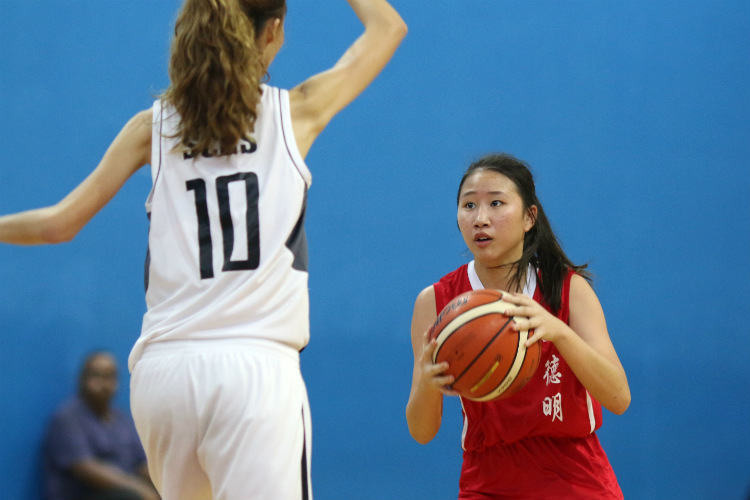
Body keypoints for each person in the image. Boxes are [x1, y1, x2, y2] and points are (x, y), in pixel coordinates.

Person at [0, 1, 406, 499]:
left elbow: (57, 225)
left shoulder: (150, 128)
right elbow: (388, 27)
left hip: (163, 375)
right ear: (272, 31)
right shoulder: (296, 110)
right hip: (253, 372)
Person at [405, 153, 631, 499]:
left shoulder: (567, 288)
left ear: (529, 217)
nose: (481, 218)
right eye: (469, 206)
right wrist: (427, 383)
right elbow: (422, 432)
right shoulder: (437, 303)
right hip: (487, 482)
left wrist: (558, 332)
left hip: (575, 479)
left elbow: (619, 397)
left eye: (496, 203)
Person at [43, 352, 159, 500]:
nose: (104, 384)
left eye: (110, 377)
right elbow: (85, 468)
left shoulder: (121, 419)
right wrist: (139, 489)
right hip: (86, 494)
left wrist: (163, 482)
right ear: (81, 379)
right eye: (97, 376)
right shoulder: (68, 418)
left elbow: (140, 464)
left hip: (126, 489)